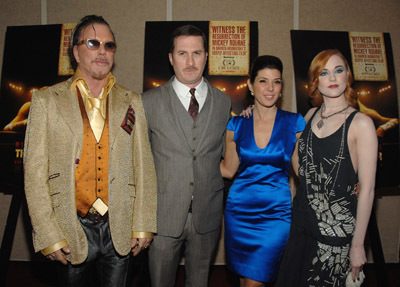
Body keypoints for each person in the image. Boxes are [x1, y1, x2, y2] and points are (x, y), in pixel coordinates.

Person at [23, 15, 157, 287]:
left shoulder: (131, 100)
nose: (102, 51)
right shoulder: (46, 100)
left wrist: (144, 222)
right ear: (75, 51)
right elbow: (34, 173)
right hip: (69, 223)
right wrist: (47, 234)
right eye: (93, 43)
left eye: (109, 45)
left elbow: (144, 165)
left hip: (119, 224)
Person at [276, 49, 378, 286]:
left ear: (347, 76)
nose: (332, 78)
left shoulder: (361, 124)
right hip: (301, 224)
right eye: (324, 72)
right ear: (315, 80)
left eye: (338, 70)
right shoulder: (310, 115)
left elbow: (369, 190)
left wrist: (358, 245)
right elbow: (302, 170)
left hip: (335, 234)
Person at [141, 24, 231, 287]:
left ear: (206, 56)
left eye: (197, 53)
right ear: (171, 58)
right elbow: (138, 163)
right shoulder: (147, 102)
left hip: (208, 213)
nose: (190, 61)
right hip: (163, 216)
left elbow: (229, 152)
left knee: (200, 282)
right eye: (182, 53)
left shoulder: (223, 102)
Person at [220, 55, 305, 287]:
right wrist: (192, 161)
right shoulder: (236, 124)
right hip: (239, 211)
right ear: (250, 85)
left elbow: (303, 171)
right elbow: (228, 170)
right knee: (244, 278)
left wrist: (345, 180)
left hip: (276, 214)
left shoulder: (295, 123)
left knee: (256, 281)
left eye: (276, 82)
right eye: (263, 81)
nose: (270, 88)